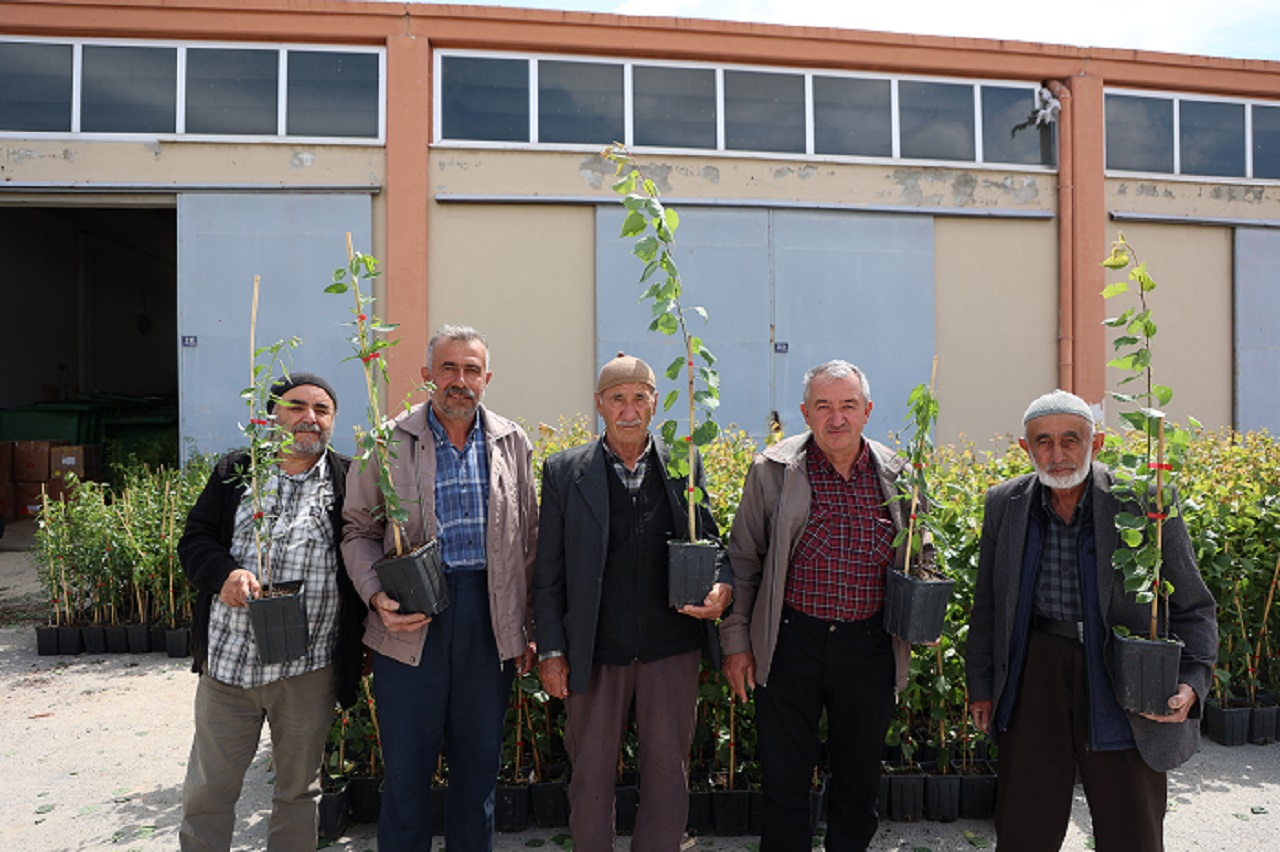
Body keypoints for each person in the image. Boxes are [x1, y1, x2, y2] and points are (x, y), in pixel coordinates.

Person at [966, 389, 1217, 851]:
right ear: (1025, 448)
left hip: (1124, 675)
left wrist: (1192, 680)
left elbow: (1192, 605)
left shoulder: (1144, 502)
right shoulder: (1005, 503)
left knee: (1132, 828)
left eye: (1070, 439)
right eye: (1042, 441)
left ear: (1095, 443)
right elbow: (988, 604)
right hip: (1035, 670)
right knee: (1025, 824)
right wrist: (981, 685)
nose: (1057, 454)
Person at [342, 325, 538, 852]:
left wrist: (528, 627)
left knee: (478, 776)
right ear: (427, 373)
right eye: (448, 368)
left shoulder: (511, 441)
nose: (460, 379)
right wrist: (376, 596)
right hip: (410, 619)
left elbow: (530, 541)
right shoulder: (387, 441)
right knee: (406, 776)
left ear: (487, 378)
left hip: (487, 618)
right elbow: (359, 530)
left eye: (471, 369)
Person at [719, 359, 924, 851]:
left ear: (868, 411)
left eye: (848, 406)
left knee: (858, 786)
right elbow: (743, 560)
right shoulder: (771, 471)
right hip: (791, 642)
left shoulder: (898, 474)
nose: (837, 419)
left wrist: (924, 604)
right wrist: (736, 643)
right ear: (805, 413)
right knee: (785, 782)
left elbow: (921, 554)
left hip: (868, 645)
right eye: (824, 407)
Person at [533, 352, 732, 851]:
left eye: (639, 397)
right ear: (599, 404)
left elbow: (710, 541)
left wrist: (721, 586)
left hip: (671, 647)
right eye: (617, 398)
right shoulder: (564, 472)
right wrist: (553, 650)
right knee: (591, 777)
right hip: (595, 649)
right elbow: (548, 571)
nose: (628, 409)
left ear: (655, 403)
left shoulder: (684, 464)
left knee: (668, 774)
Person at [178, 372, 365, 851]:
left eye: (321, 410)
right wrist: (224, 575)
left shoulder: (350, 480)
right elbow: (195, 540)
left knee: (298, 793)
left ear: (333, 422)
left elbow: (367, 552)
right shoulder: (236, 472)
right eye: (297, 406)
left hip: (308, 671)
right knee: (209, 790)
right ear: (271, 417)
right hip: (229, 669)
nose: (309, 417)